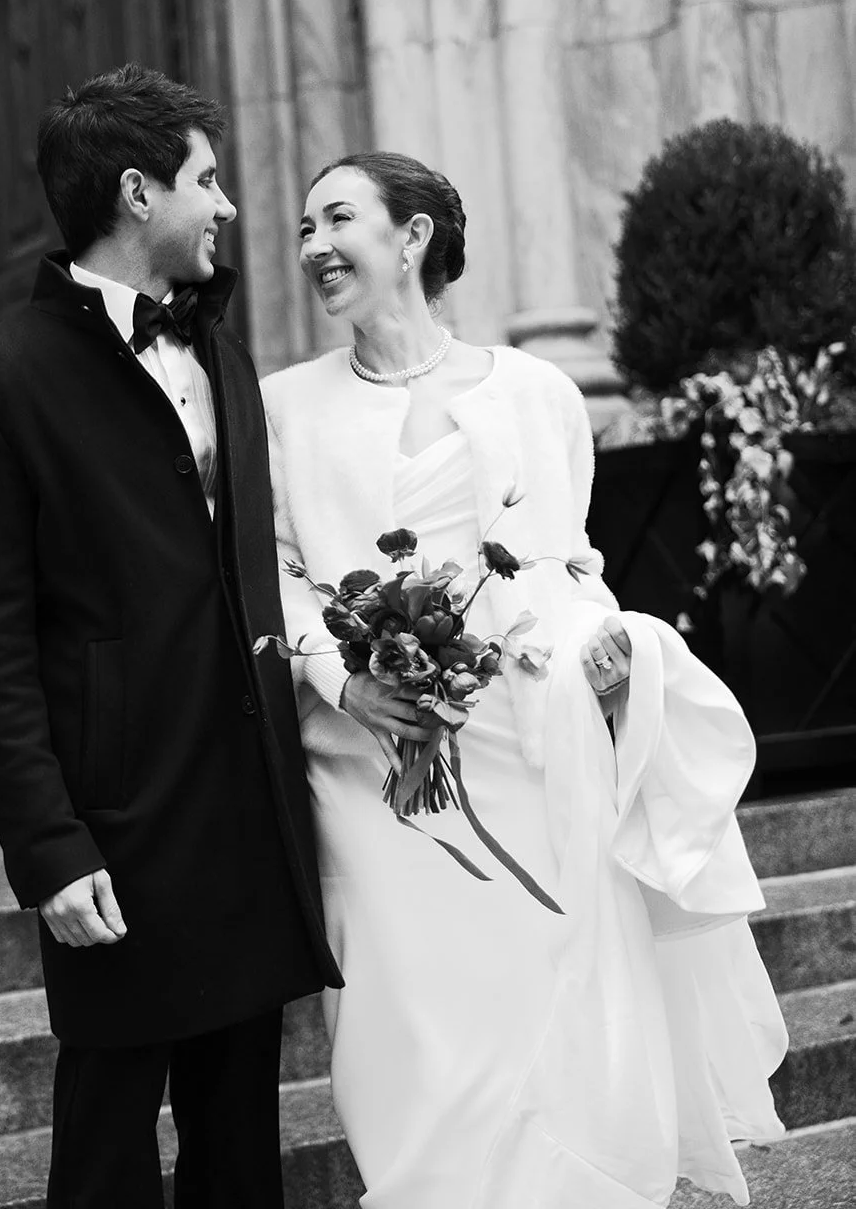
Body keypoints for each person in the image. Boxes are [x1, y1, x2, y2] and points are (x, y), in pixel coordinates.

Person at [261, 152, 788, 1209]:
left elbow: (569, 561)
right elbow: (267, 572)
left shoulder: (535, 390)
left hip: (527, 742)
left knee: (547, 986)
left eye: (338, 219)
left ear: (410, 237)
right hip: (370, 761)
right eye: (303, 227)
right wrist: (340, 679)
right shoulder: (282, 408)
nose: (313, 245)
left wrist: (606, 651)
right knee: (403, 1001)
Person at [0, 62, 341, 1209]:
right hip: (114, 821)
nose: (226, 206)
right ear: (135, 193)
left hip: (245, 801)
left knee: (240, 1139)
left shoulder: (225, 355)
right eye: (206, 180)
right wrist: (46, 848)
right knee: (105, 1144)